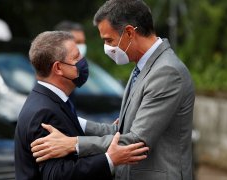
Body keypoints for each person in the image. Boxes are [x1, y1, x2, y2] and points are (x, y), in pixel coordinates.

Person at [30, 0, 195, 180]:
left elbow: (135, 141)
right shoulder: (142, 67)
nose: (107, 48)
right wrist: (73, 120)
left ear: (130, 33)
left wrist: (73, 144)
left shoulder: (167, 72)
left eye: (109, 40)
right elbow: (120, 131)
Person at [14, 31, 149, 180]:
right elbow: (56, 174)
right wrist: (109, 159)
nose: (83, 61)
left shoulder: (50, 100)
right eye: (76, 57)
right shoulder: (44, 112)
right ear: (58, 68)